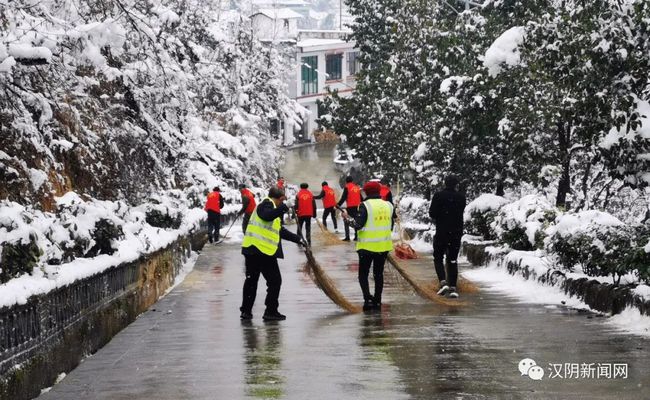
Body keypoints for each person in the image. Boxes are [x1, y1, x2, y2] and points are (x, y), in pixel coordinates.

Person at [240, 187, 305, 321]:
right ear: (281, 199)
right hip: (260, 250)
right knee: (273, 281)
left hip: (255, 250)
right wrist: (285, 207)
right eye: (283, 201)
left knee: (253, 281)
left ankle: (248, 311)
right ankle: (269, 311)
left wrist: (298, 239)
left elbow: (280, 230)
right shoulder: (266, 204)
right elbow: (266, 216)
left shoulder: (273, 211)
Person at [343, 181, 394, 311]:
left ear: (365, 192)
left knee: (363, 274)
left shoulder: (365, 205)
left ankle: (367, 300)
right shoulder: (389, 205)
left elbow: (357, 224)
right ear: (378, 191)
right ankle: (377, 300)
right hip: (383, 247)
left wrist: (346, 218)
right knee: (379, 274)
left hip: (366, 247)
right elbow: (391, 224)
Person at [429, 175, 466, 299]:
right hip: (456, 232)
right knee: (452, 259)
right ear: (456, 184)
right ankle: (453, 287)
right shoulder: (461, 197)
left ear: (445, 183)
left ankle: (443, 282)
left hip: (442, 231)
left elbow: (432, 213)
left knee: (438, 257)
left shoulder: (439, 196)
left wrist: (441, 215)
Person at [337, 176, 362, 241]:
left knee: (346, 221)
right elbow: (361, 198)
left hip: (350, 207)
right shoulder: (357, 188)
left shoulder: (347, 187)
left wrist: (337, 205)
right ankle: (356, 237)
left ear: (346, 181)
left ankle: (347, 237)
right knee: (356, 221)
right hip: (357, 207)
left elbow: (343, 198)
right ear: (352, 181)